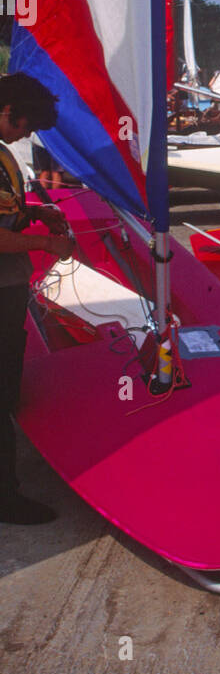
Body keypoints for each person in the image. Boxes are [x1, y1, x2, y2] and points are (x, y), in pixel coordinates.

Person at [0, 73, 74, 524]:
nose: (27, 136)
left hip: (8, 289)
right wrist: (47, 246)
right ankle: (5, 498)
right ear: (9, 111)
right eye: (25, 127)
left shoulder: (4, 154)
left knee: (8, 385)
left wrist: (35, 213)